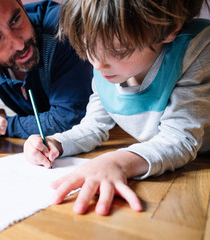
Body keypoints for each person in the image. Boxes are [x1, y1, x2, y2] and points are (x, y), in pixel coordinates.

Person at [24, 0, 210, 216]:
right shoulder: (105, 66)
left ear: (169, 29)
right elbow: (94, 126)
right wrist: (55, 143)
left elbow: (179, 139)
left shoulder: (196, 51)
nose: (97, 64)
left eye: (119, 51)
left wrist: (117, 162)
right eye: (88, 48)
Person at [0, 0, 93, 152]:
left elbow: (69, 118)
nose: (19, 45)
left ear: (22, 6)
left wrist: (2, 125)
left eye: (15, 20)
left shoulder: (62, 27)